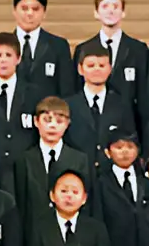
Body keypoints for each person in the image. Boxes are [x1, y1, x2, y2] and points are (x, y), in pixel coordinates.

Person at [13, 96, 93, 237]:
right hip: (33, 236)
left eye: (59, 121)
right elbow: (21, 205)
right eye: (47, 120)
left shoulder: (79, 159)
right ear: (36, 121)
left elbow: (87, 206)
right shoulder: (24, 159)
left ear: (67, 124)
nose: (52, 126)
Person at [66, 40, 136, 168]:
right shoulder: (68, 105)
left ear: (110, 69)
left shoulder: (122, 104)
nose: (97, 70)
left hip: (110, 176)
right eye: (91, 65)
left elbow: (130, 139)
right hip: (78, 173)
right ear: (80, 69)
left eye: (102, 65)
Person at [78, 0, 148, 113]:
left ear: (123, 12)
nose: (110, 11)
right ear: (96, 13)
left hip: (129, 119)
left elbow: (143, 92)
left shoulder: (138, 49)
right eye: (105, 7)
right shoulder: (83, 49)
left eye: (115, 7)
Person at [0, 32, 40, 167]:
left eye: (9, 55)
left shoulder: (34, 94)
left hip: (25, 166)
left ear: (18, 59)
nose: (3, 60)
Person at [12, 0, 72, 92]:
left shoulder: (59, 45)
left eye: (35, 9)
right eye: (24, 8)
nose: (30, 13)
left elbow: (67, 89)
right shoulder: (2, 45)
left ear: (44, 12)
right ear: (14, 11)